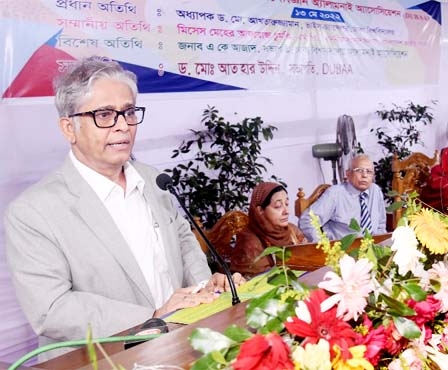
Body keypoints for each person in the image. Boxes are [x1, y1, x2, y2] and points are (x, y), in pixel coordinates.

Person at [4, 57, 244, 360]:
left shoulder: (153, 179)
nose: (122, 126)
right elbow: (51, 309)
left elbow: (184, 243)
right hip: (101, 360)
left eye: (129, 112)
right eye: (104, 114)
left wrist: (204, 288)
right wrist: (153, 315)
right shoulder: (33, 211)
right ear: (69, 128)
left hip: (178, 347)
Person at [298, 154, 386, 242]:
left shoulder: (375, 191)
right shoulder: (335, 194)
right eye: (359, 170)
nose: (364, 175)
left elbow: (380, 226)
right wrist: (323, 245)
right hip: (344, 251)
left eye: (369, 171)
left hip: (373, 249)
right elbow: (307, 220)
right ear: (348, 174)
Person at [231, 182, 306, 277]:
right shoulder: (250, 243)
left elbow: (309, 260)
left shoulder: (291, 230)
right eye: (278, 206)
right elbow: (257, 283)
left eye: (286, 204)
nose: (287, 211)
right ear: (260, 211)